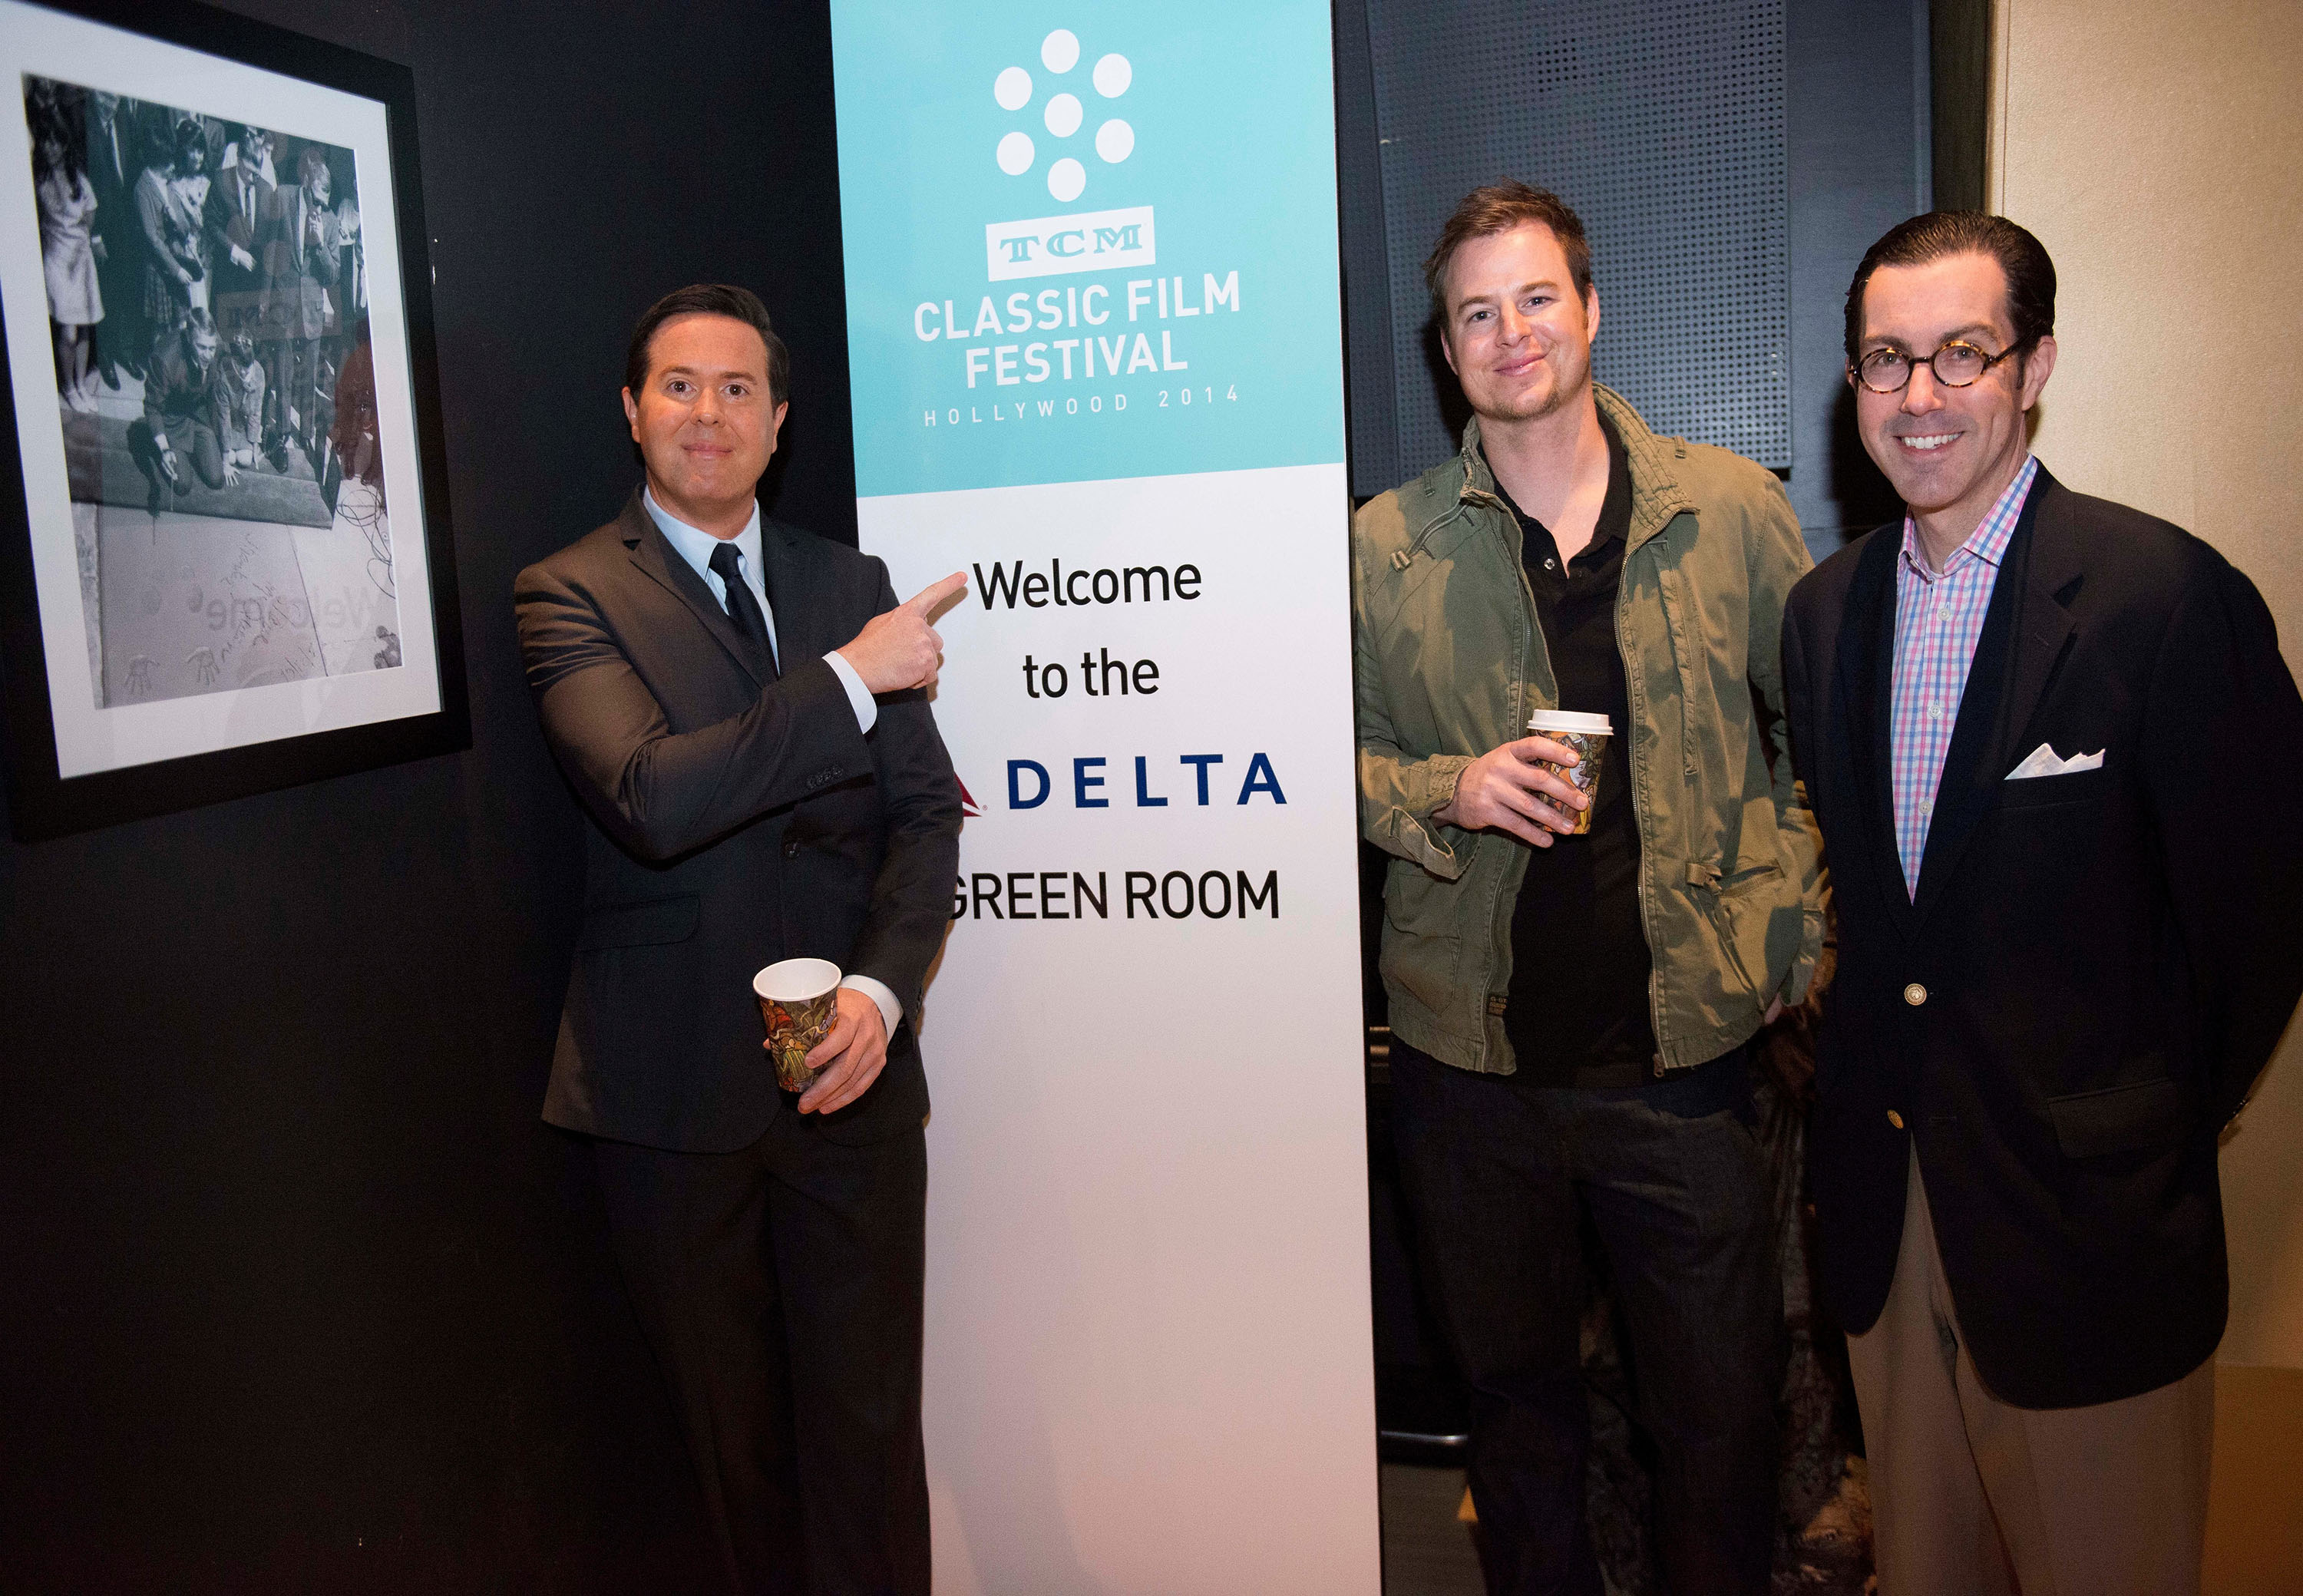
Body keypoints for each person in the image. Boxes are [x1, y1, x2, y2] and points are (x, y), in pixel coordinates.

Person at [1780, 211, 2303, 1596]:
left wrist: (2133, 1120)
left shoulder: (2164, 600)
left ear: (2037, 363)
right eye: (1886, 361)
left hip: (2089, 1246)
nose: (1921, 396)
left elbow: (2261, 924)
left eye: (1964, 353)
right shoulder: (1825, 615)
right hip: (1889, 1234)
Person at [1353, 181, 1823, 1596]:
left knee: (1719, 1424)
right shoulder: (1387, 544)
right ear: (1446, 349)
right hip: (1470, 1071)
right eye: (1476, 313)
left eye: (1537, 296)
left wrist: (1790, 923)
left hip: (1688, 1068)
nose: (1511, 334)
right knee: (1519, 1417)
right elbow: (1325, 757)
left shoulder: (1730, 508)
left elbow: (1816, 742)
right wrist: (1447, 787)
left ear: (1593, 306)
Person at [515, 284, 966, 1595]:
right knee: (730, 1458)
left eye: (735, 390)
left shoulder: (851, 581)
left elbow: (924, 815)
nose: (705, 414)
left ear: (778, 422)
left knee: (872, 1439)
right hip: (670, 1093)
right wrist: (846, 678)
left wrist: (886, 991)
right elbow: (656, 795)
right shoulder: (569, 592)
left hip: (855, 1086)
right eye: (677, 385)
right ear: (630, 409)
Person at [259, 145, 341, 469]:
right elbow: (269, 249)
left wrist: (319, 243)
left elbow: (332, 273)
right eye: (317, 201)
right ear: (307, 185)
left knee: (308, 375)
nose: (320, 208)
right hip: (283, 298)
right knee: (282, 371)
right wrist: (264, 297)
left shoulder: (331, 222)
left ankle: (305, 433)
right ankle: (281, 434)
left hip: (311, 309)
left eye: (325, 203)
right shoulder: (286, 197)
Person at [31, 107, 104, 413]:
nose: (50, 147)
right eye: (45, 141)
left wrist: (80, 245)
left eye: (56, 141)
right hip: (55, 258)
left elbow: (90, 216)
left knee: (85, 325)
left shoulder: (79, 181)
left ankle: (83, 386)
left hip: (80, 258)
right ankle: (70, 387)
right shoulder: (37, 180)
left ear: (65, 144)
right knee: (68, 330)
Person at [132, 306, 236, 503]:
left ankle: (189, 450)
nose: (208, 355)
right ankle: (156, 443)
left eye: (211, 348)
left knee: (216, 479)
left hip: (198, 415)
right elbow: (153, 408)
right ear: (189, 339)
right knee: (182, 485)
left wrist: (225, 451)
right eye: (202, 348)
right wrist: (164, 449)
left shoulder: (218, 349)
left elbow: (218, 401)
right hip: (170, 417)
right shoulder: (164, 360)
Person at [84, 90, 141, 386]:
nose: (110, 103)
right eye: (104, 98)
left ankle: (124, 351)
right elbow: (83, 186)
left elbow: (132, 169)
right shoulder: (86, 129)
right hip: (100, 228)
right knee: (105, 291)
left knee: (127, 290)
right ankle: (105, 357)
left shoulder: (123, 120)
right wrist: (94, 237)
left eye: (115, 99)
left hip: (126, 225)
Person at [133, 119, 207, 339]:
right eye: (169, 163)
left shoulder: (170, 186)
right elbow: (151, 237)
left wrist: (176, 220)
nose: (175, 167)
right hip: (159, 269)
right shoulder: (142, 189)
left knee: (181, 320)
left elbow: (185, 230)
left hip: (179, 260)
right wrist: (176, 269)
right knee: (160, 327)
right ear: (158, 162)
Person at [205, 124, 275, 342]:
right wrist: (234, 251)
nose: (253, 180)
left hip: (254, 285)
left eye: (257, 173)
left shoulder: (266, 190)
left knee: (248, 343)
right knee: (225, 340)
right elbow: (211, 224)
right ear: (238, 159)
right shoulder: (220, 182)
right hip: (227, 279)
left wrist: (265, 293)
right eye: (248, 172)